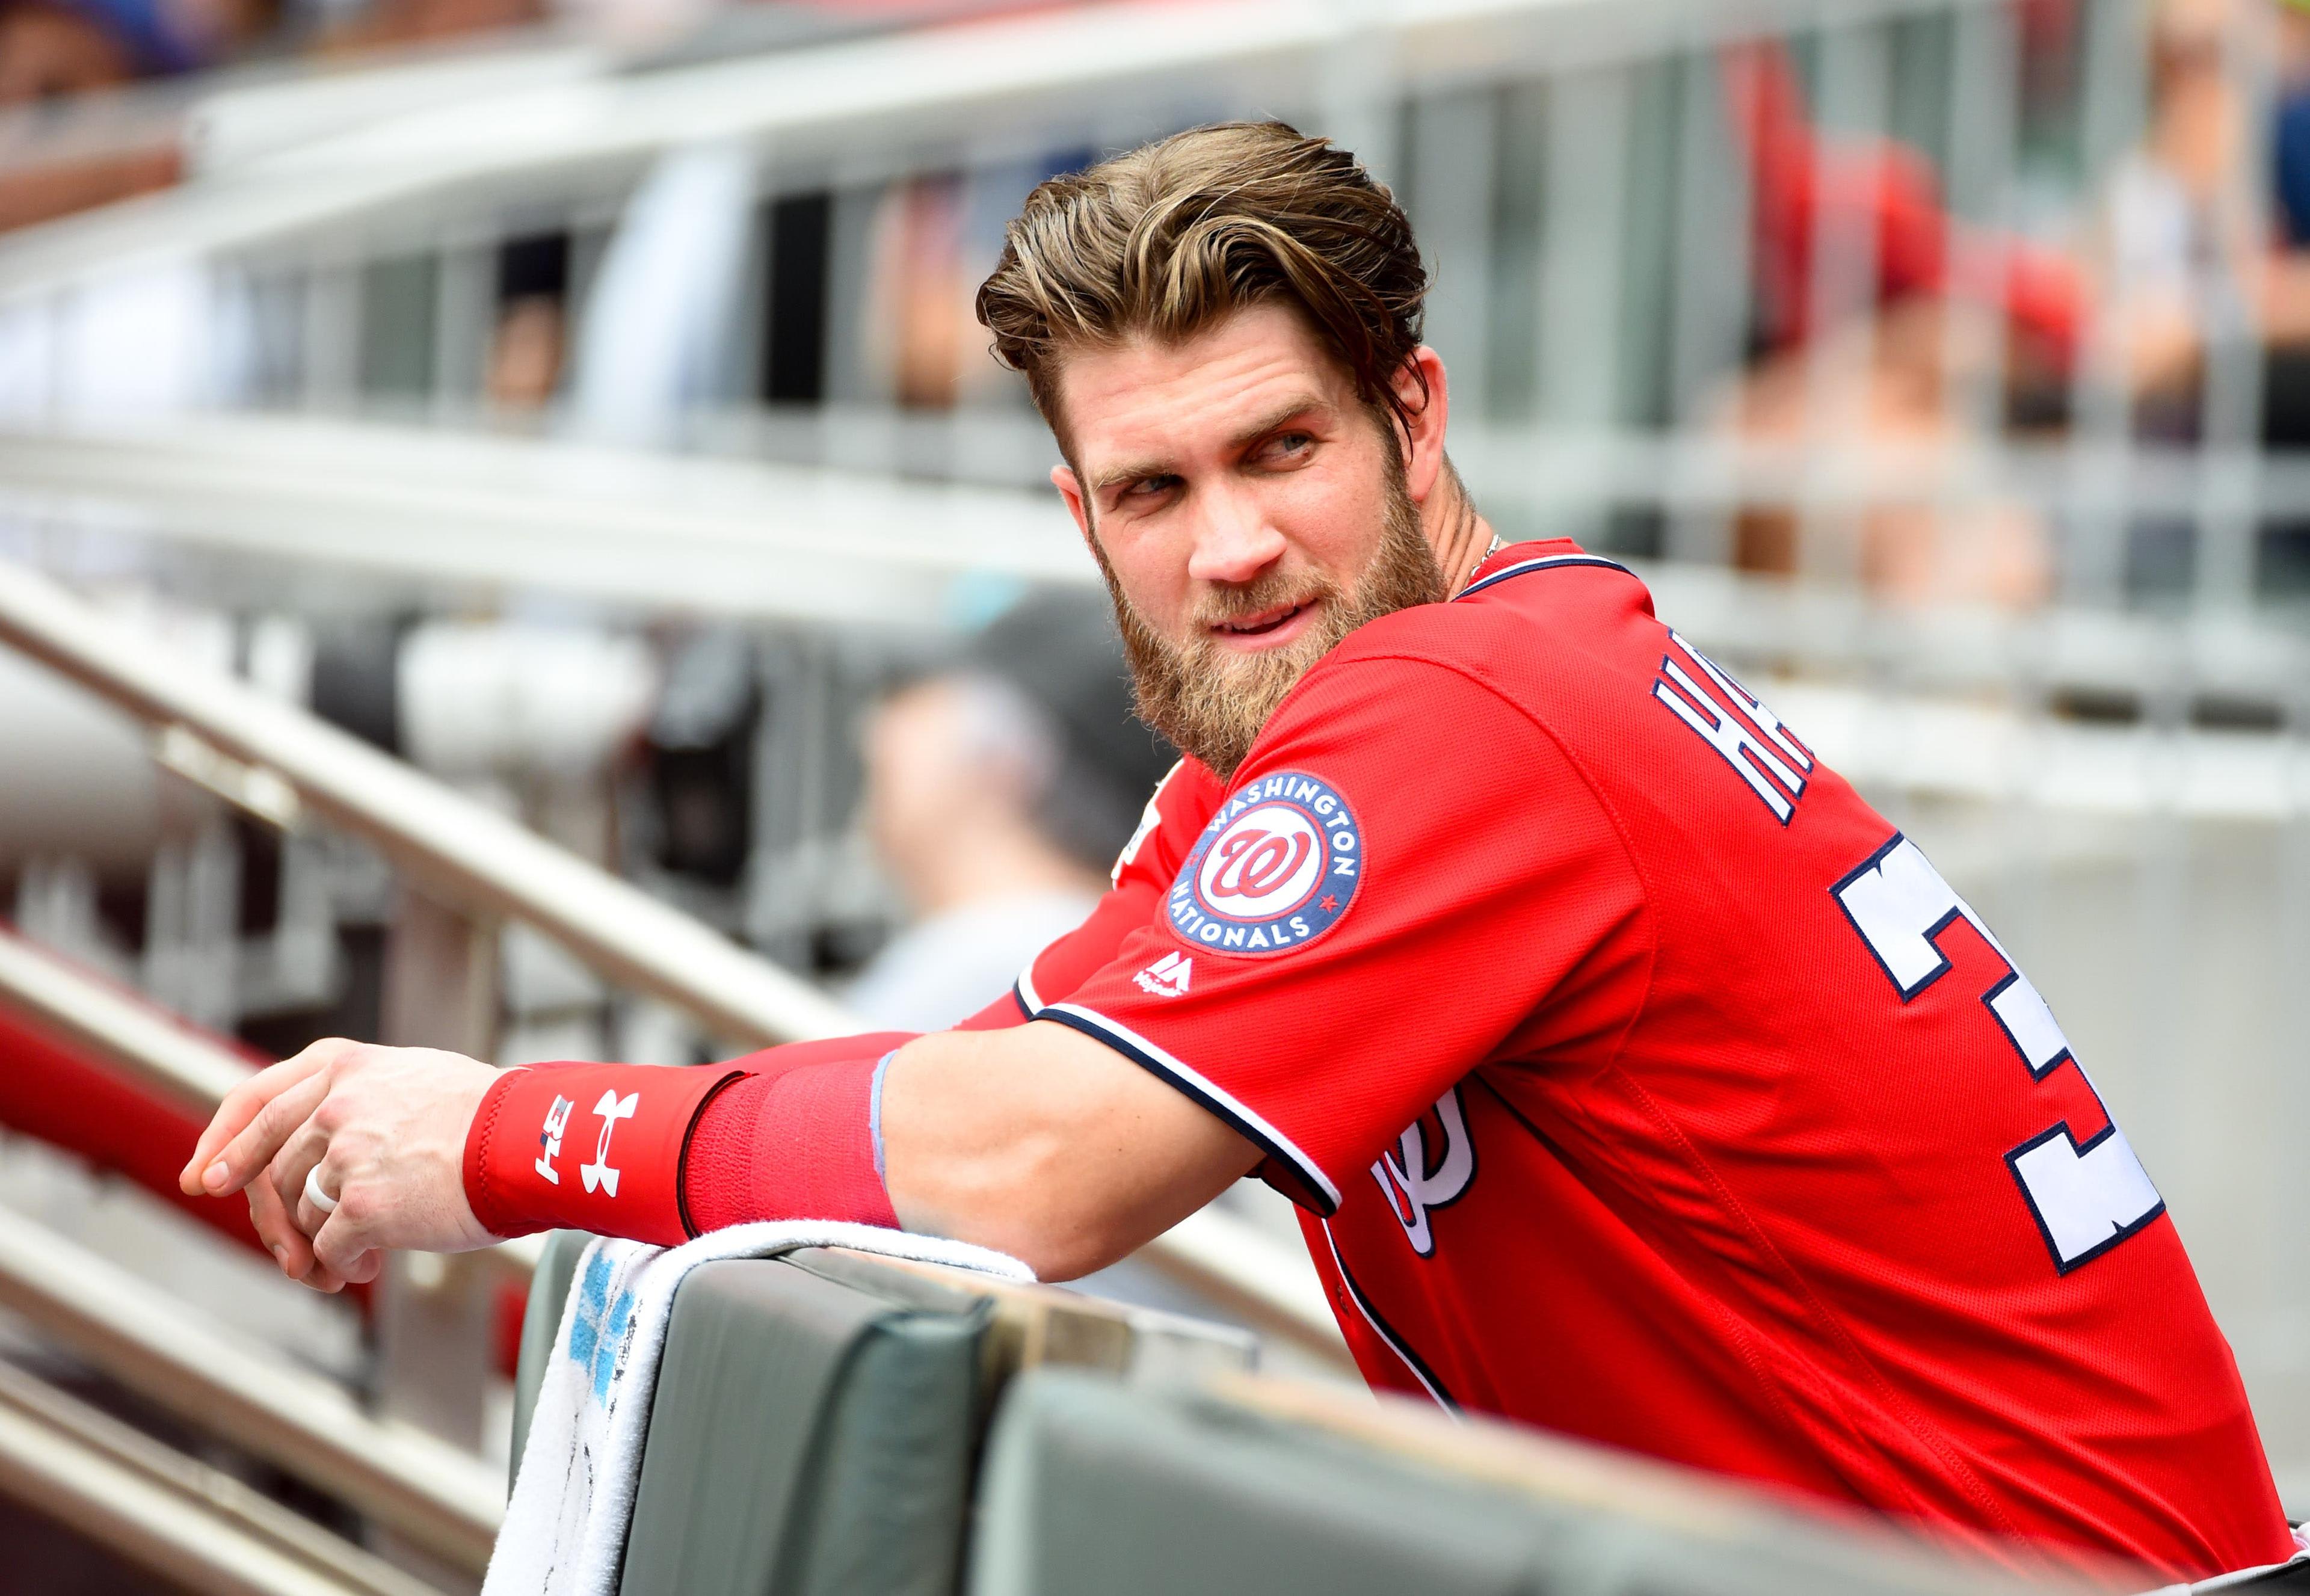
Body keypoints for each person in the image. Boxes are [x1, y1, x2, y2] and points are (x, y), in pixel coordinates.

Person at [181, 122, 2297, 1583]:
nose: (1233, 545)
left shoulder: (1452, 708)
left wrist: (510, 1141)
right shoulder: (1350, 718)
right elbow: (991, 1087)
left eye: (1283, 450)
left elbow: (1040, 1172)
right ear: (1076, 520)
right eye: (1151, 489)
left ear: (1416, 414)